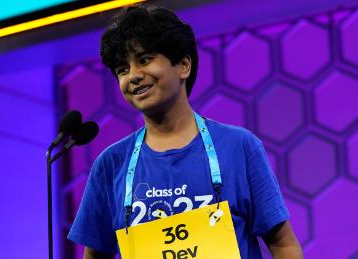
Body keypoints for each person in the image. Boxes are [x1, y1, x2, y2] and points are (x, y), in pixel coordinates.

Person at [68, 4, 303, 259]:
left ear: (183, 65)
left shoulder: (239, 147)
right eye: (122, 69)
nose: (133, 76)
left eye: (144, 59)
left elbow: (284, 246)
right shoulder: (111, 164)